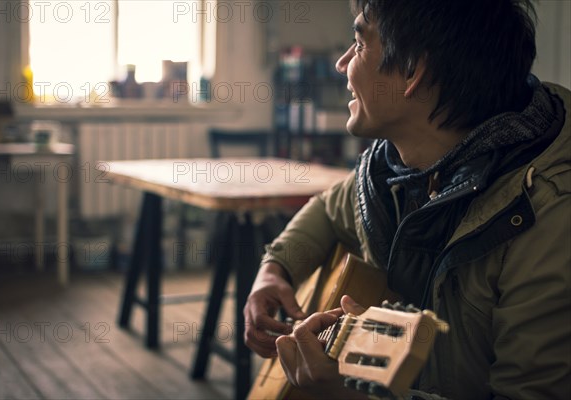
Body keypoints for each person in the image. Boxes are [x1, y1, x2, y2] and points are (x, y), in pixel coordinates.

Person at [243, 0, 570, 398]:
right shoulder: (391, 170)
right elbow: (329, 209)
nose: (342, 64)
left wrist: (351, 395)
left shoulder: (549, 212)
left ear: (413, 70)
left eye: (359, 44)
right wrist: (275, 270)